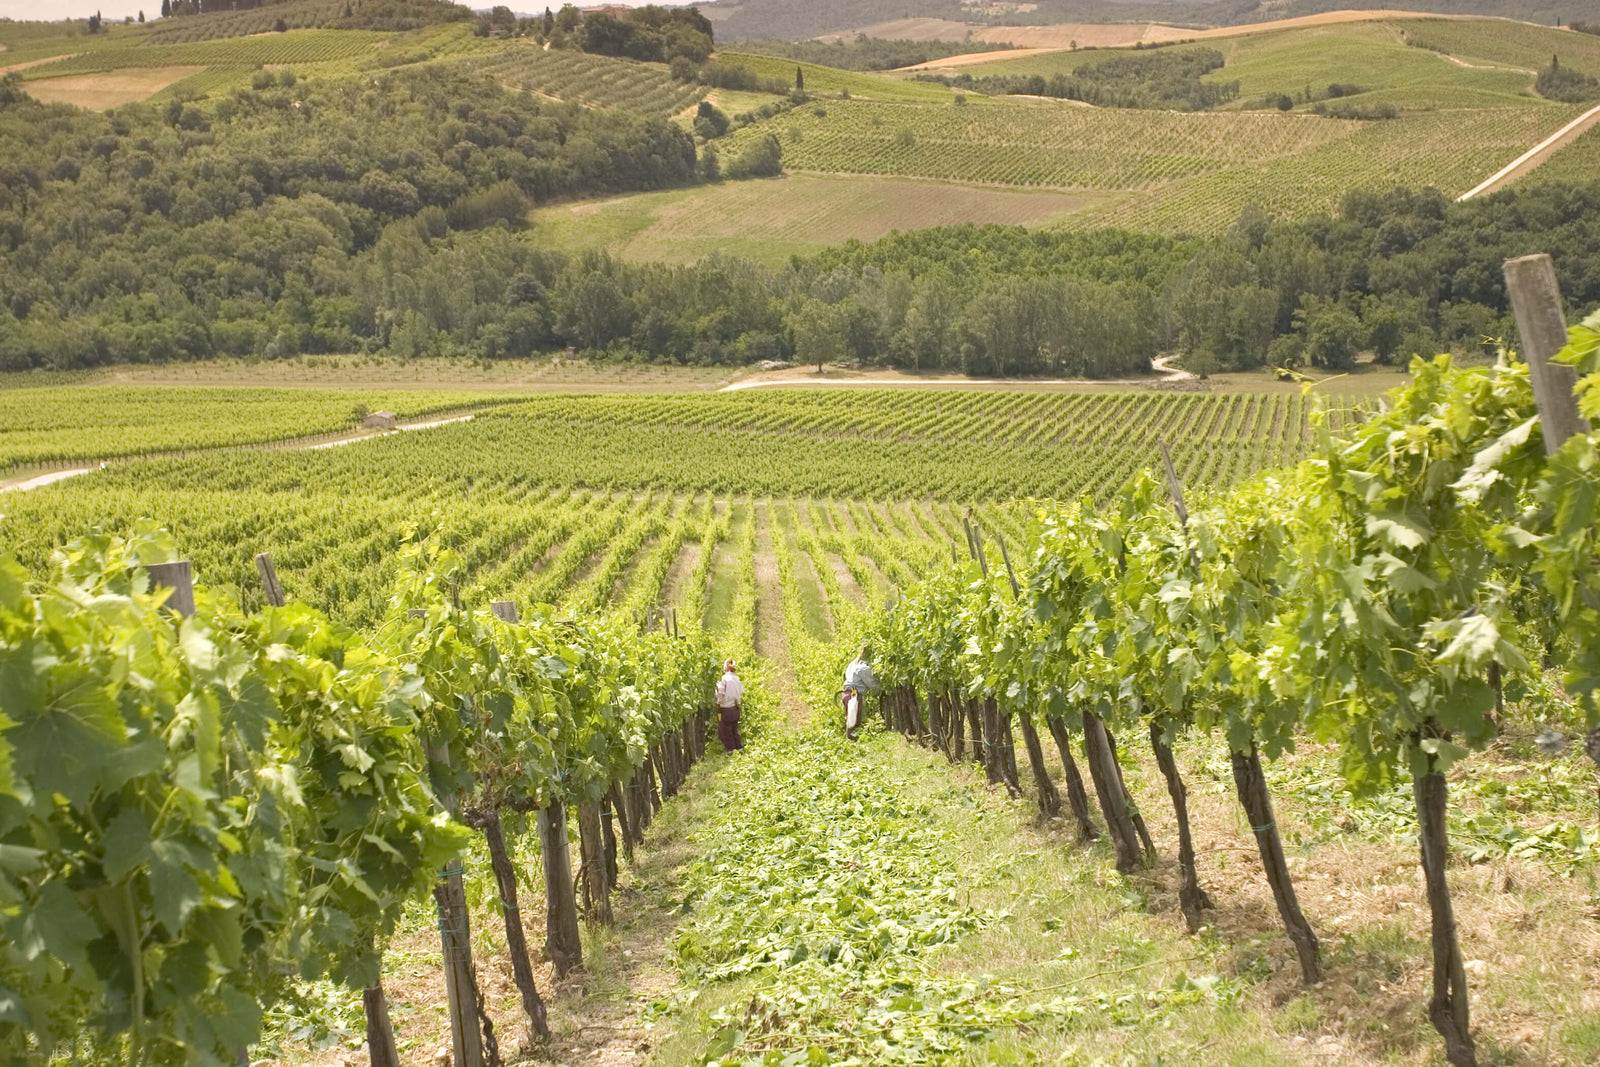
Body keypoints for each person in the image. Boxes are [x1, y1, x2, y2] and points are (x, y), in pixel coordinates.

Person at [715, 658, 744, 752]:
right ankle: (739, 748)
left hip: (726, 710)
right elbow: (740, 692)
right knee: (734, 730)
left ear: (725, 669)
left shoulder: (725, 679)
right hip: (735, 709)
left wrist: (718, 700)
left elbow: (721, 694)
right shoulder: (737, 679)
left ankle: (730, 750)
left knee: (725, 731)